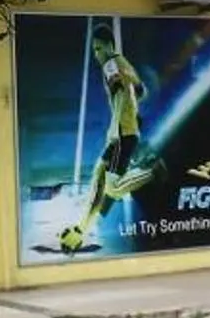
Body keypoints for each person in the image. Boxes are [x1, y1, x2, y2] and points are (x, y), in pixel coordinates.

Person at [58, 24, 160, 253]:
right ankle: (81, 231)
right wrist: (131, 113)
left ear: (107, 45)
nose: (96, 54)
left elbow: (122, 94)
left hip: (122, 134)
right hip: (127, 130)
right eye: (94, 50)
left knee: (112, 188)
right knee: (99, 175)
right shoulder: (124, 63)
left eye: (98, 48)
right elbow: (141, 91)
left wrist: (116, 126)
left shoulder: (110, 64)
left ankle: (152, 171)